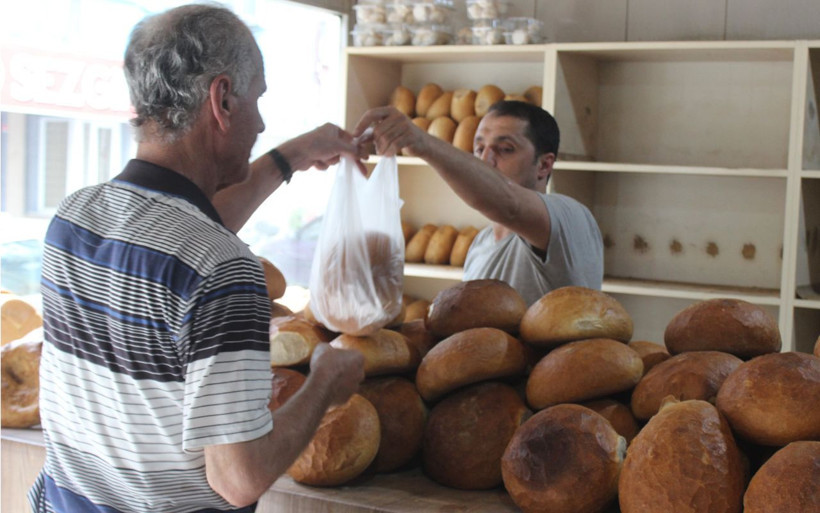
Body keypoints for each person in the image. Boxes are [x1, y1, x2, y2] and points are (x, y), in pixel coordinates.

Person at [29, 4, 365, 512]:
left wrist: (292, 156)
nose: (262, 122)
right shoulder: (223, 268)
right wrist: (324, 384)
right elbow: (239, 479)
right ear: (222, 98)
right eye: (257, 100)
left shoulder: (74, 217)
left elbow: (184, 235)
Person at [354, 100, 603, 306]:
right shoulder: (480, 243)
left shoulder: (569, 216)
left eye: (505, 149)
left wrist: (422, 143)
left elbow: (509, 203)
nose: (486, 160)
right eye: (479, 148)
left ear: (544, 165)